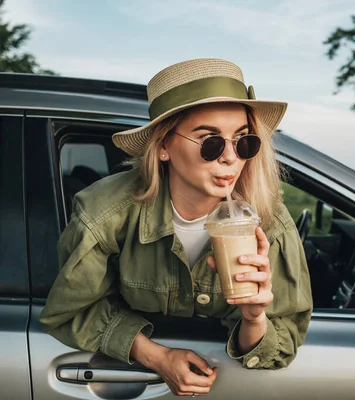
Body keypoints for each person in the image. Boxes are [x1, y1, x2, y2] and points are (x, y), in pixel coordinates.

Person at [39, 58, 313, 397]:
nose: (230, 158)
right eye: (211, 142)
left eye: (244, 142)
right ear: (164, 146)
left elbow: (283, 342)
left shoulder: (268, 222)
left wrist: (254, 317)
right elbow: (69, 311)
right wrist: (155, 356)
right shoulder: (105, 213)